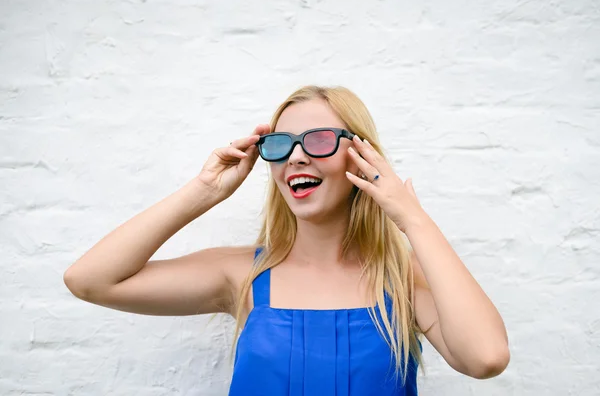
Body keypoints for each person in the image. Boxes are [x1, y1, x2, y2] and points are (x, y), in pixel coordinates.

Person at [64, 85, 510, 395]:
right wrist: (204, 192)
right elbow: (90, 280)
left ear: (360, 155)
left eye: (318, 140)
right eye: (281, 143)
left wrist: (412, 219)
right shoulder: (242, 274)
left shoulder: (400, 278)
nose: (296, 155)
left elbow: (486, 358)